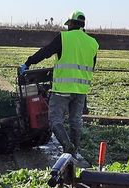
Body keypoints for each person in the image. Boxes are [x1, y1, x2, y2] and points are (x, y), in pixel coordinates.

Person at [21, 10, 98, 163]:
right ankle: (74, 153)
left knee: (55, 120)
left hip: (62, 89)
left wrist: (28, 63)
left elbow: (45, 52)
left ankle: (67, 146)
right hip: (81, 91)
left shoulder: (64, 37)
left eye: (68, 24)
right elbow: (91, 66)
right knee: (75, 122)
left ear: (71, 24)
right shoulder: (93, 43)